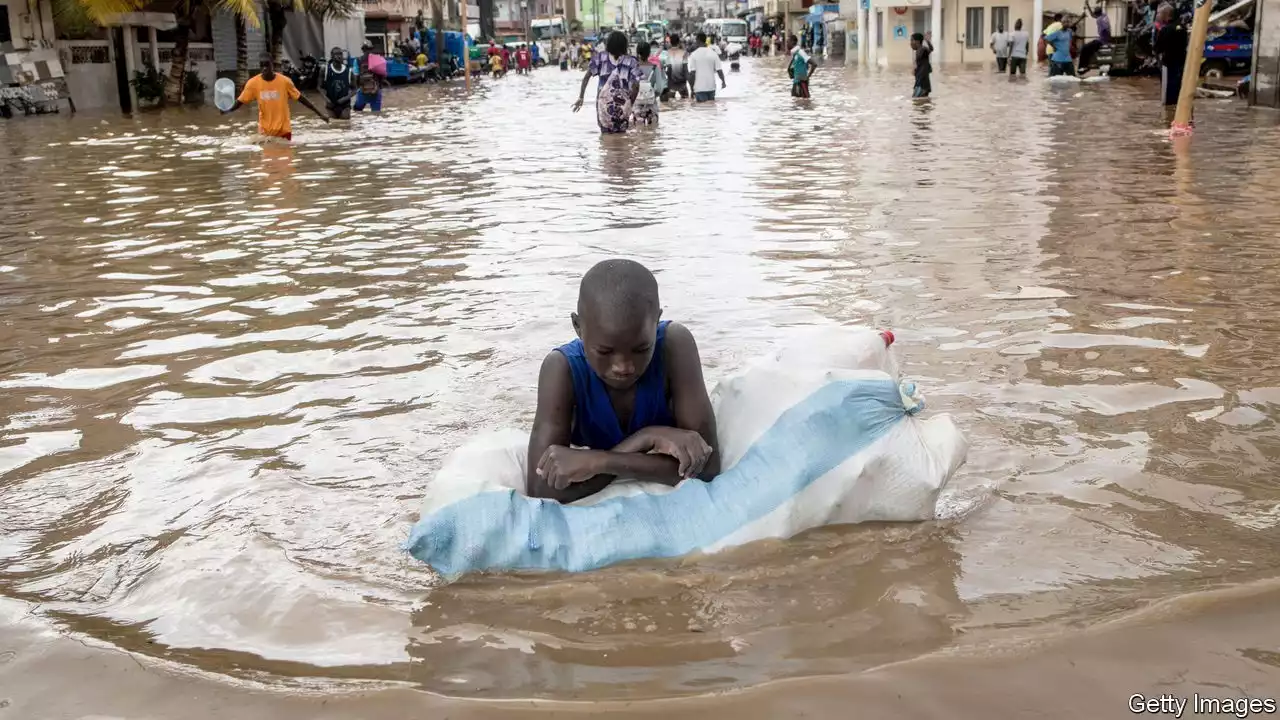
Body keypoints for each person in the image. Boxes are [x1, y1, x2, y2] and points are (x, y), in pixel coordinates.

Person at [526, 259, 719, 503]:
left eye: (641, 349)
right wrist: (645, 438)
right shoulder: (561, 368)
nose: (624, 367)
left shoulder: (674, 346)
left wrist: (599, 462)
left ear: (656, 320)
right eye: (605, 352)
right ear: (578, 327)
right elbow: (540, 490)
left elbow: (708, 467)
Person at [222, 54, 328, 139]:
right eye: (261, 66)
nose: (264, 69)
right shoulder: (252, 83)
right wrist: (228, 110)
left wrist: (320, 114)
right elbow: (240, 102)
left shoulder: (285, 82)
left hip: (284, 131)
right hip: (265, 132)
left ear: (272, 65)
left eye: (267, 65)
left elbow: (301, 99)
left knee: (285, 161)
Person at [572, 30, 643, 134]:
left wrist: (581, 97)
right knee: (622, 138)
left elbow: (587, 77)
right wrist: (630, 104)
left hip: (603, 106)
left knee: (606, 137)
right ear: (624, 45)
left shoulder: (600, 58)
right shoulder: (631, 61)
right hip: (623, 105)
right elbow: (636, 86)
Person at [1154, 3, 1188, 107]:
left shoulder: (1165, 30)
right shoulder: (1182, 28)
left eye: (1159, 13)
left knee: (1167, 94)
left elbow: (1157, 48)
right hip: (1181, 63)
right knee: (1178, 88)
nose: (1157, 15)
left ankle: (1168, 115)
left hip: (1168, 64)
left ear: (1166, 14)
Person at [687, 31, 725, 102]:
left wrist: (692, 89)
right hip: (711, 87)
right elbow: (719, 70)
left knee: (702, 110)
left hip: (699, 88)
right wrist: (723, 81)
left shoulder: (693, 55)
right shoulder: (713, 53)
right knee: (711, 109)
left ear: (698, 40)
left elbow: (692, 74)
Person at [633, 40, 664, 125]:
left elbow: (629, 87)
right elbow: (659, 88)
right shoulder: (655, 67)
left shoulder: (633, 68)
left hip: (637, 103)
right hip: (651, 103)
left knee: (638, 132)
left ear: (637, 52)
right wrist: (652, 95)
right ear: (649, 53)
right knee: (653, 131)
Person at [320, 46, 356, 119]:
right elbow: (319, 87)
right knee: (333, 126)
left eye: (340, 54)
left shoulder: (349, 71)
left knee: (344, 124)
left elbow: (355, 89)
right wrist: (326, 99)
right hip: (331, 105)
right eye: (336, 54)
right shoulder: (325, 70)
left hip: (345, 105)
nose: (339, 56)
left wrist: (345, 98)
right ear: (332, 56)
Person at [355, 43, 385, 113]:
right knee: (376, 113)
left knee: (357, 112)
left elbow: (356, 77)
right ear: (372, 49)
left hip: (362, 91)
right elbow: (383, 75)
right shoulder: (378, 59)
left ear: (362, 50)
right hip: (376, 91)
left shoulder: (358, 60)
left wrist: (357, 87)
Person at [665, 32, 690, 99]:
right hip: (682, 83)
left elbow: (669, 68)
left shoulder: (667, 53)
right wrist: (691, 86)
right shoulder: (684, 53)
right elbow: (685, 70)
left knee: (670, 104)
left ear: (670, 42)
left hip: (671, 83)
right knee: (686, 101)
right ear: (679, 42)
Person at [911, 31, 933, 98]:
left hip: (921, 84)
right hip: (921, 83)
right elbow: (930, 49)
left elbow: (929, 50)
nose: (911, 43)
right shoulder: (919, 50)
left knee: (916, 102)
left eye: (912, 40)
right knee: (920, 104)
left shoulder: (922, 49)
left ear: (917, 41)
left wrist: (927, 41)